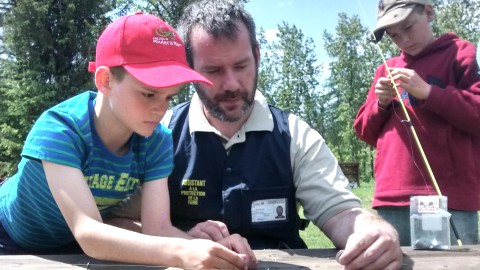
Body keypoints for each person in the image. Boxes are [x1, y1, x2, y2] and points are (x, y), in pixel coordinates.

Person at [111, 1, 403, 269]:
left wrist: (375, 233)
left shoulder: (295, 136)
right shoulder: (158, 133)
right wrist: (181, 241)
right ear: (189, 70)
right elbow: (112, 222)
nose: (231, 83)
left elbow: (341, 214)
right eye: (213, 70)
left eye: (241, 66)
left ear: (258, 55)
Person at [0, 12, 257, 269]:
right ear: (105, 80)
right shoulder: (61, 129)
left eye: (169, 97)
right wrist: (183, 252)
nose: (160, 109)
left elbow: (157, 229)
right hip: (9, 237)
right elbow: (89, 232)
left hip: (70, 245)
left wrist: (210, 251)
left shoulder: (156, 140)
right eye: (148, 94)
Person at [354, 0, 480, 246]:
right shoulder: (386, 69)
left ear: (429, 13)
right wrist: (380, 104)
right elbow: (364, 131)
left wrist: (430, 93)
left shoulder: (459, 52)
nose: (403, 40)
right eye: (393, 36)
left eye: (408, 27)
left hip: (449, 197)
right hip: (392, 198)